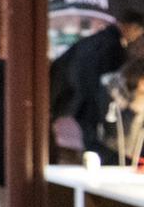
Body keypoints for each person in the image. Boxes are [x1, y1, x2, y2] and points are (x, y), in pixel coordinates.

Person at [49, 10, 143, 157]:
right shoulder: (111, 46)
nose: (136, 37)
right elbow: (105, 83)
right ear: (130, 27)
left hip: (79, 101)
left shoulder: (96, 40)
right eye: (138, 31)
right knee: (101, 147)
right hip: (93, 104)